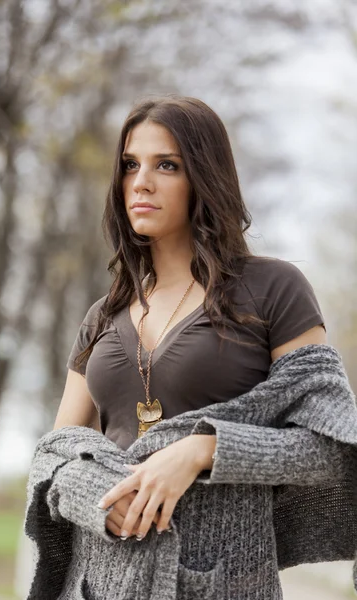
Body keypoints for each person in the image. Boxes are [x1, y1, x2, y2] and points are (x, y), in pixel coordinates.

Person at [31, 94, 357, 600]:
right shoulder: (103, 313)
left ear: (204, 176)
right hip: (98, 584)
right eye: (130, 165)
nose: (140, 182)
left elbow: (331, 449)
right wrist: (97, 494)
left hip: (222, 583)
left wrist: (203, 451)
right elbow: (54, 453)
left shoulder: (273, 289)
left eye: (167, 165)